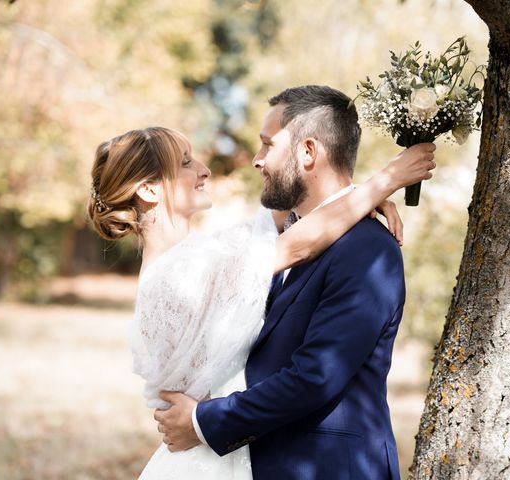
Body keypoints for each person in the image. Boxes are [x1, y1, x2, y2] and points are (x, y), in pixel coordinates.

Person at [153, 86, 436, 480]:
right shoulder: (276, 240)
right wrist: (373, 189)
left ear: (308, 152)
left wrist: (204, 422)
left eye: (267, 145)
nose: (256, 160)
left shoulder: (368, 248)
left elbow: (316, 376)